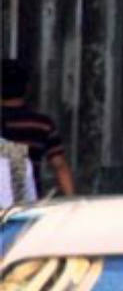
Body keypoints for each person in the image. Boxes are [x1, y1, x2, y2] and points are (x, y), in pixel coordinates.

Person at [1, 59, 75, 196]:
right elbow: (60, 166)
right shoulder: (42, 125)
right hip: (27, 201)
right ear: (27, 88)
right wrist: (72, 201)